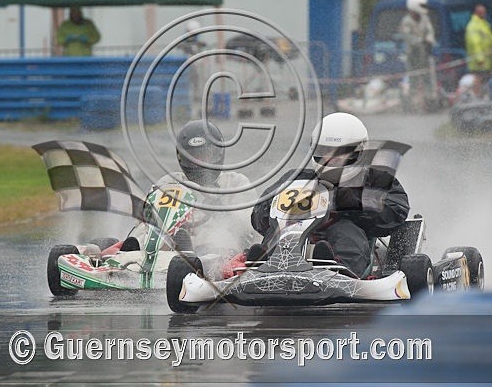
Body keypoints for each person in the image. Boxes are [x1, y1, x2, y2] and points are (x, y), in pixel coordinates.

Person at [250, 112, 410, 276]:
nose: (331, 159)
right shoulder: (298, 178)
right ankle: (263, 264)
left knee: (345, 231)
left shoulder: (377, 180)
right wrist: (273, 211)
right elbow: (258, 213)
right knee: (280, 232)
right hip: (299, 233)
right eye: (325, 151)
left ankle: (338, 268)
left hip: (347, 234)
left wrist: (354, 204)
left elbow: (396, 211)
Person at [124, 120, 258, 254]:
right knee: (146, 228)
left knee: (211, 234)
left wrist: (217, 209)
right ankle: (130, 251)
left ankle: (191, 254)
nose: (199, 163)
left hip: (219, 251)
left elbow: (249, 226)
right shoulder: (169, 182)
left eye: (205, 155)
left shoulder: (235, 183)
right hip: (171, 248)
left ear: (219, 153)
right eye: (193, 157)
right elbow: (144, 215)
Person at [398, 0, 437, 108]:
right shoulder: (406, 21)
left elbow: (430, 32)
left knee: (428, 77)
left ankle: (430, 100)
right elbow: (408, 37)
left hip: (425, 53)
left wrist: (429, 40)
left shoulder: (425, 19)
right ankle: (411, 102)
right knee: (413, 78)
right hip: (412, 54)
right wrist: (421, 41)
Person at [465, 3, 492, 96]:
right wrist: (479, 59)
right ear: (477, 13)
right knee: (478, 79)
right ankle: (477, 97)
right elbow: (475, 44)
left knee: (486, 79)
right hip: (479, 61)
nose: (485, 14)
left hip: (487, 60)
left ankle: (485, 96)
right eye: (482, 12)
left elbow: (489, 38)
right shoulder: (473, 26)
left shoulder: (483, 23)